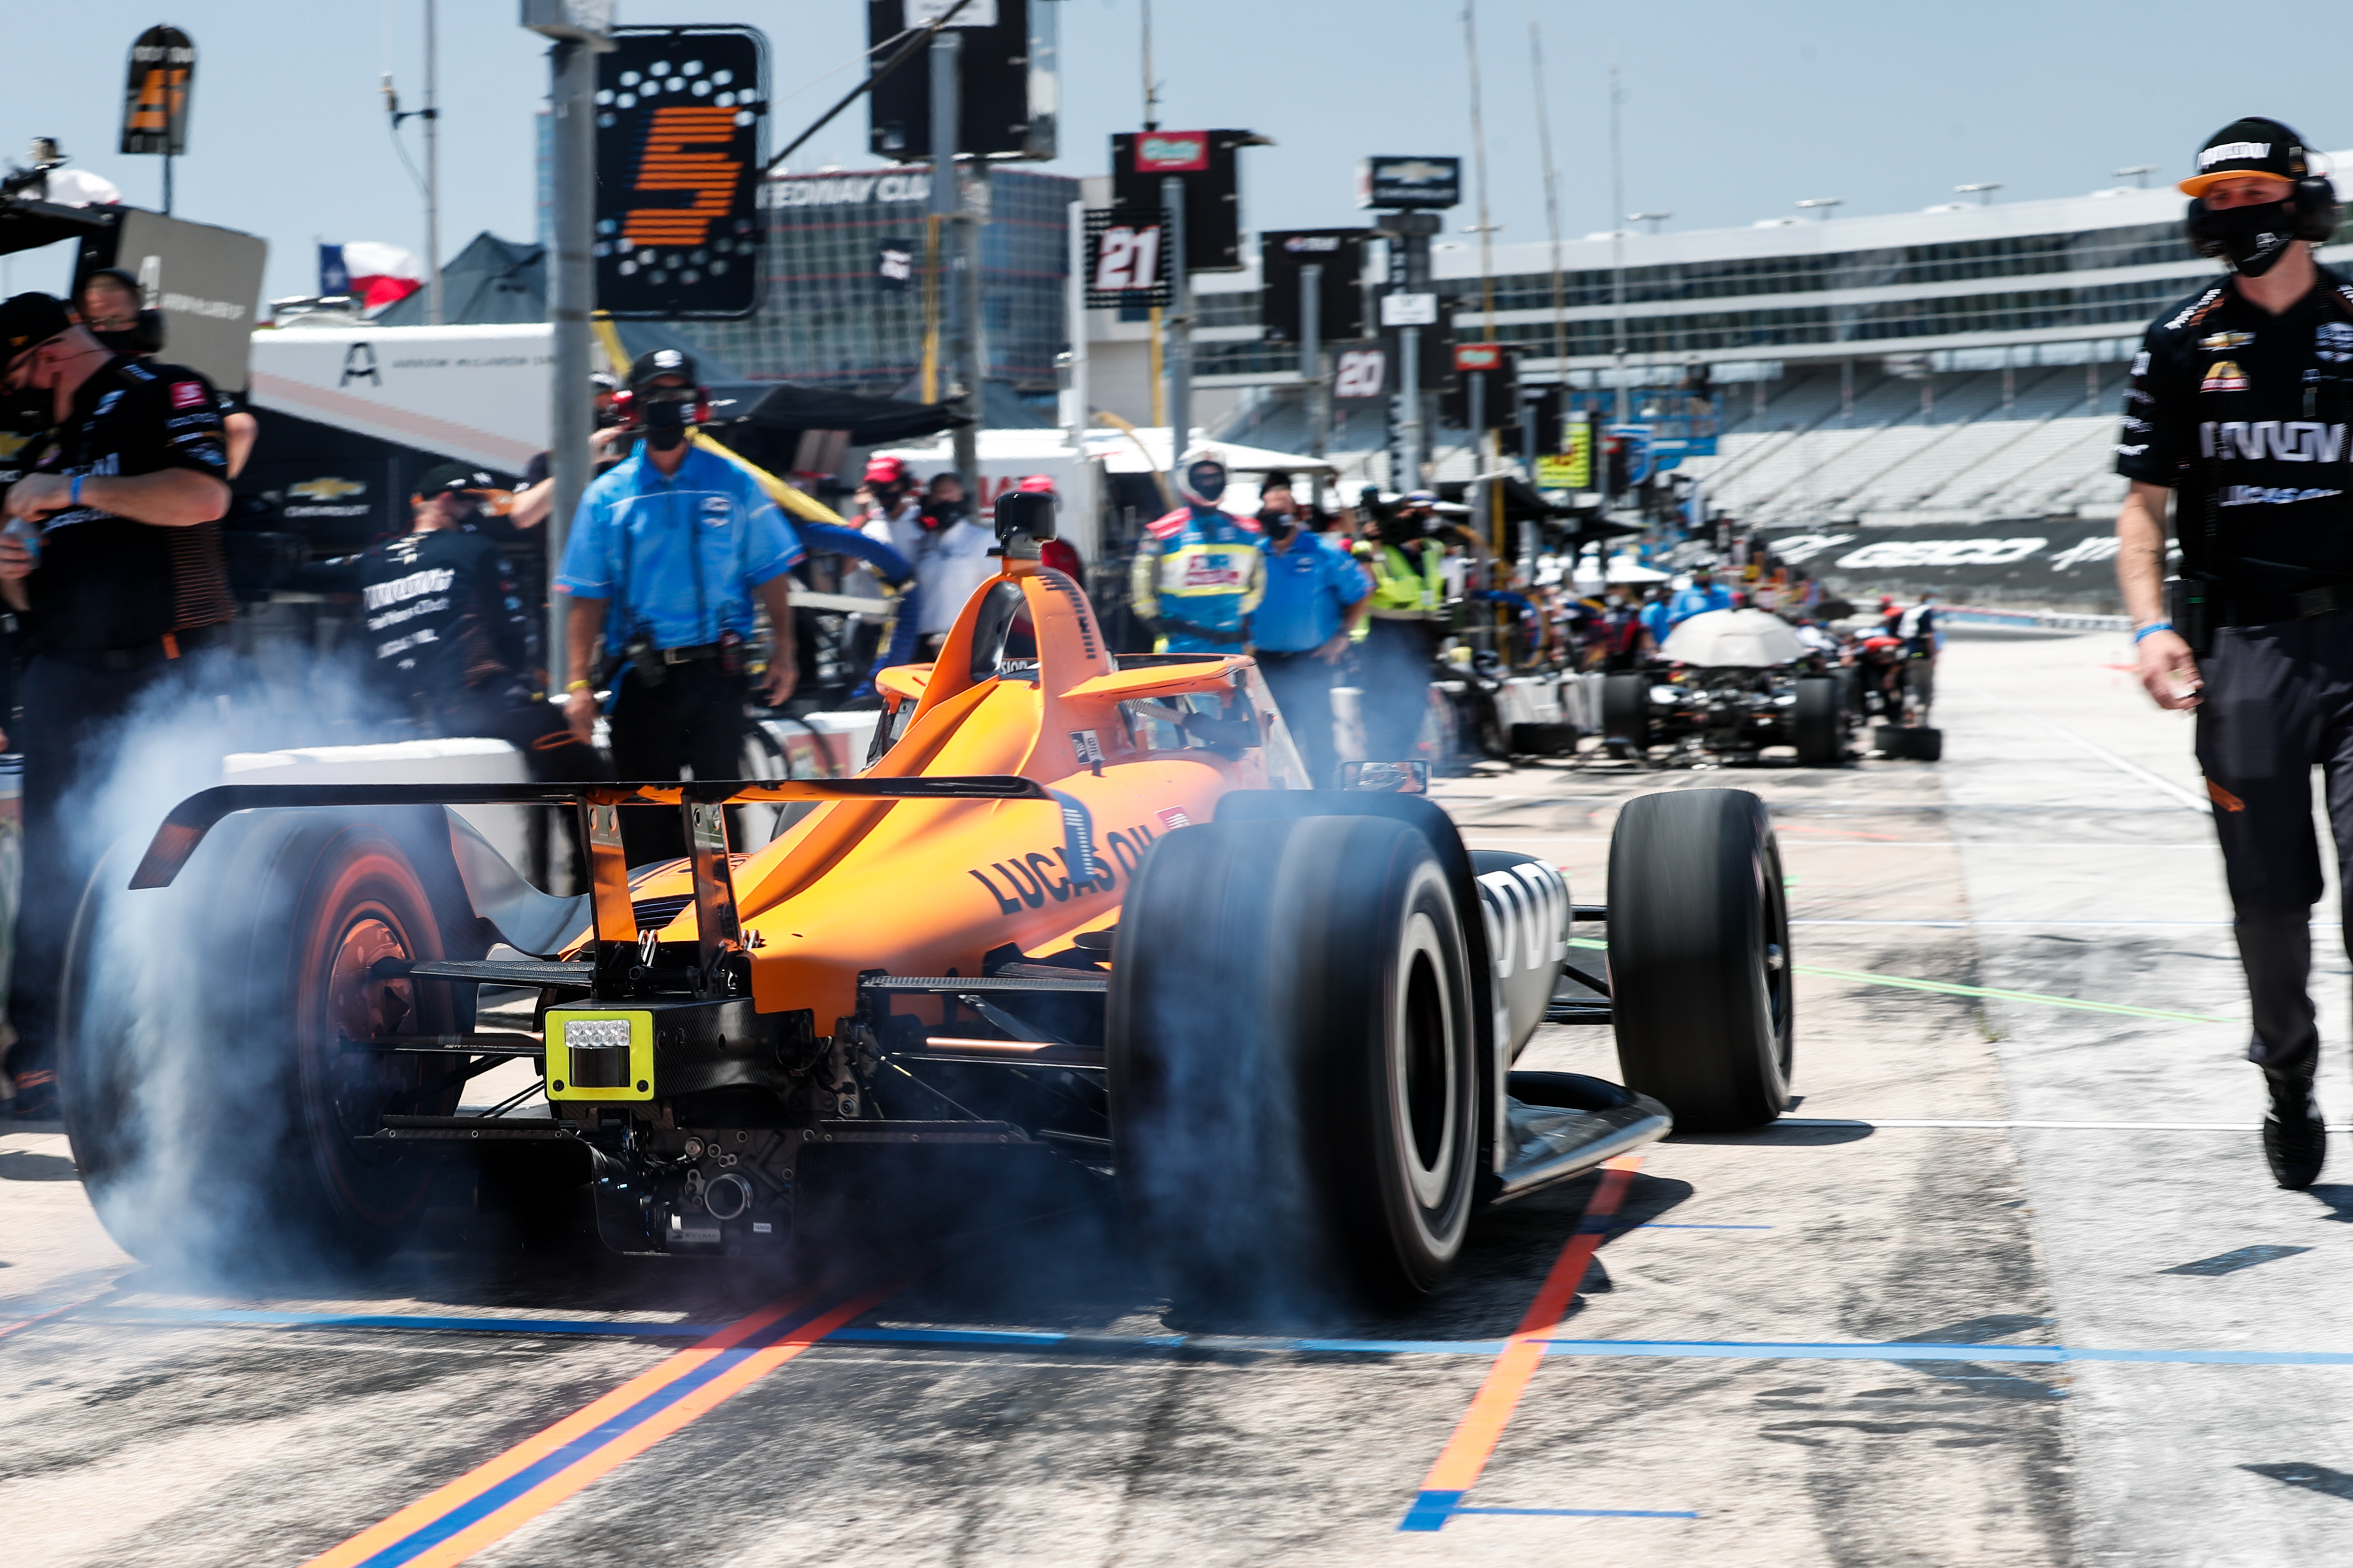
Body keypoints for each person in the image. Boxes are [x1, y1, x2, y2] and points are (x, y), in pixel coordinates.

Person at [2116, 116, 2353, 1189]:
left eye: (2253, 194)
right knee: (2266, 903)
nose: (2235, 215)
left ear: (2299, 202)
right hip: (2244, 653)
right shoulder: (2175, 340)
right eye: (2215, 201)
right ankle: (2286, 1071)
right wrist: (2149, 625)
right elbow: (2140, 512)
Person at [0, 292, 232, 1116]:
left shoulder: (166, 392)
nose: (18, 392)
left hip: (165, 677)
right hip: (62, 674)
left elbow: (203, 499)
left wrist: (72, 490)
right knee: (55, 872)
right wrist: (13, 570)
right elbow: (23, 595)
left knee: (173, 865)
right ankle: (44, 1064)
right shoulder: (43, 447)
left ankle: (189, 1053)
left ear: (49, 356)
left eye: (19, 373)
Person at [555, 348, 801, 865]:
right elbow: (585, 596)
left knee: (715, 810)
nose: (668, 404)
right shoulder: (605, 497)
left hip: (718, 671)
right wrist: (578, 685)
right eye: (656, 394)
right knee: (643, 816)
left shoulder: (733, 484)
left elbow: (771, 571)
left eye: (678, 393)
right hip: (640, 681)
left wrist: (785, 650)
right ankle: (657, 932)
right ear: (632, 406)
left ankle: (726, 925)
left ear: (699, 403)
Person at [1249, 498, 1370, 786]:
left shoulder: (1323, 552)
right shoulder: (1256, 554)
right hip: (1266, 659)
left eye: (1283, 515)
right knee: (1272, 734)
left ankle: (1326, 794)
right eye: (1270, 514)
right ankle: (1281, 796)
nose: (1276, 521)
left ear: (1297, 516)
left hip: (1311, 661)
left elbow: (1361, 590)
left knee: (1317, 732)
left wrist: (1342, 637)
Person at [1129, 448, 1265, 655]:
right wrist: (1161, 623)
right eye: (1201, 477)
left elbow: (1257, 587)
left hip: (1233, 647)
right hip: (1180, 648)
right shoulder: (1163, 533)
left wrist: (1235, 618)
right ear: (1186, 480)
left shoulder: (1247, 531)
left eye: (1215, 476)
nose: (1209, 483)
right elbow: (1141, 592)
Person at [1358, 488, 1447, 762]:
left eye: (1421, 512)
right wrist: (1374, 545)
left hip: (1420, 634)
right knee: (1380, 706)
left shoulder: (1433, 549)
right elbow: (1364, 586)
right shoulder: (1368, 548)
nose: (1414, 518)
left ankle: (1401, 762)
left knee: (1414, 705)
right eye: (1406, 512)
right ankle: (1379, 764)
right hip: (1383, 634)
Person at [889, 469, 996, 659]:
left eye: (950, 498)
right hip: (923, 642)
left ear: (962, 499)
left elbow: (1001, 591)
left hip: (966, 642)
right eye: (938, 499)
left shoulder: (983, 541)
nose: (944, 505)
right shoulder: (922, 545)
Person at [1666, 565, 1735, 629]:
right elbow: (1674, 624)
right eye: (1701, 572)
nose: (1705, 575)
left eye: (1707, 571)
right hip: (1696, 636)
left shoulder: (1725, 592)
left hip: (1721, 634)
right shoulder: (1683, 595)